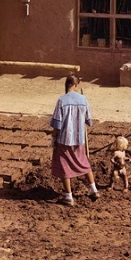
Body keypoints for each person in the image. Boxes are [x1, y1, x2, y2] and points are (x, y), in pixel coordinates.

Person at [50, 74, 100, 206]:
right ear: (77, 85)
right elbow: (89, 120)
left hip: (64, 140)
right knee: (83, 162)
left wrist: (54, 137)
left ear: (67, 85)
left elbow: (57, 124)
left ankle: (68, 197)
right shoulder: (83, 99)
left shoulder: (61, 100)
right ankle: (94, 190)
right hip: (79, 139)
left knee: (64, 167)